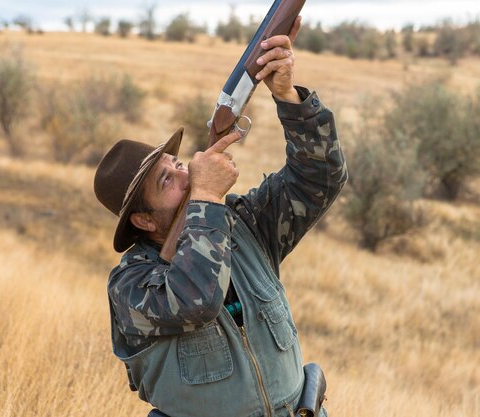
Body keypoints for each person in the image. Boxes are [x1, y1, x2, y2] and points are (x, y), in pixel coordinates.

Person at [93, 17, 347, 417]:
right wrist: (207, 195)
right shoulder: (130, 288)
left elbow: (321, 178)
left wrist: (287, 97)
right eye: (167, 180)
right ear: (142, 221)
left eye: (177, 163)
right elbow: (197, 298)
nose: (186, 172)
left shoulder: (243, 225)